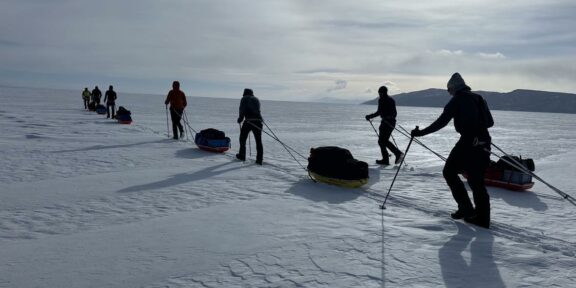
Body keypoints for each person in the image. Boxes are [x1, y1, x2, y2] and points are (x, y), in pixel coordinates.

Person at [411, 73, 493, 229]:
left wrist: (420, 133)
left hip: (469, 142)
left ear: (454, 88)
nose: (449, 93)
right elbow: (490, 122)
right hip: (484, 142)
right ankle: (482, 217)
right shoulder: (479, 98)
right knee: (476, 181)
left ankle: (466, 208)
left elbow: (441, 122)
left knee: (449, 171)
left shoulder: (457, 100)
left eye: (449, 90)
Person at [365, 86, 404, 165]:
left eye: (380, 93)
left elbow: (379, 112)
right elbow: (395, 113)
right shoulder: (391, 100)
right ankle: (386, 159)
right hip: (391, 122)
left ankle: (397, 154)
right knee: (382, 141)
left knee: (383, 141)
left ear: (383, 92)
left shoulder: (382, 99)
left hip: (386, 123)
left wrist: (369, 116)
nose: (379, 94)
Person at [236, 88, 263, 165]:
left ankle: (242, 156)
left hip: (249, 122)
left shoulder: (244, 98)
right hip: (258, 122)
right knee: (258, 141)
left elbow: (242, 110)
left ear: (244, 93)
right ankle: (259, 160)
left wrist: (240, 119)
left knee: (242, 139)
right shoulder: (256, 99)